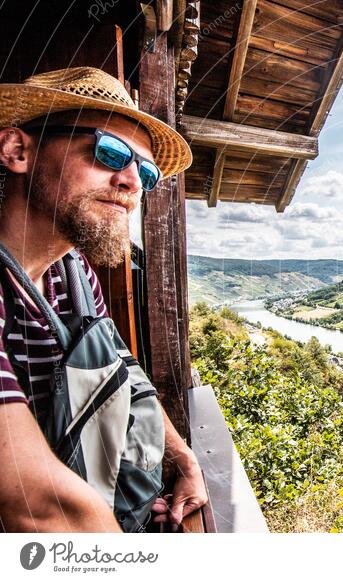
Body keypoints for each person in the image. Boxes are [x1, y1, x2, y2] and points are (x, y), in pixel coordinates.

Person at [0, 67, 207, 532]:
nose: (132, 183)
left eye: (146, 172)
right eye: (109, 151)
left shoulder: (72, 274)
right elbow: (38, 506)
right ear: (18, 151)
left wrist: (184, 459)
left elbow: (122, 370)